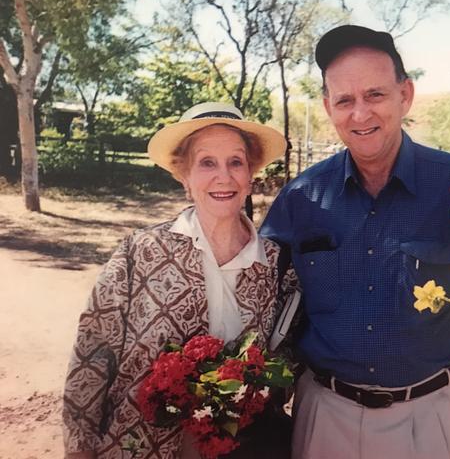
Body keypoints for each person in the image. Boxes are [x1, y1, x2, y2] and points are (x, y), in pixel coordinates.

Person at [260, 25, 450, 459]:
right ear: (328, 107)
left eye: (375, 95)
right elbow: (255, 292)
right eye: (344, 100)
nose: (360, 114)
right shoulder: (301, 198)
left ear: (405, 95)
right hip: (325, 413)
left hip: (426, 418)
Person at [62, 102, 297, 459]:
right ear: (183, 176)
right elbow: (93, 352)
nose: (224, 176)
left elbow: (288, 359)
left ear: (250, 175)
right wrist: (78, 448)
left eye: (236, 162)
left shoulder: (277, 267)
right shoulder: (138, 254)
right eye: (206, 163)